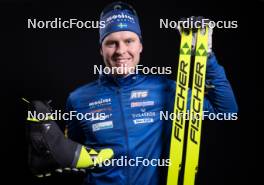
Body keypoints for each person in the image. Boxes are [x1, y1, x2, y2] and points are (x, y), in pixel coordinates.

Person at [65, 1, 238, 185]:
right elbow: (73, 158)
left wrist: (206, 56)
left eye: (129, 41)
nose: (121, 51)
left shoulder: (165, 90)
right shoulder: (77, 99)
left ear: (140, 46)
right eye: (111, 43)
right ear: (101, 49)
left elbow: (226, 111)